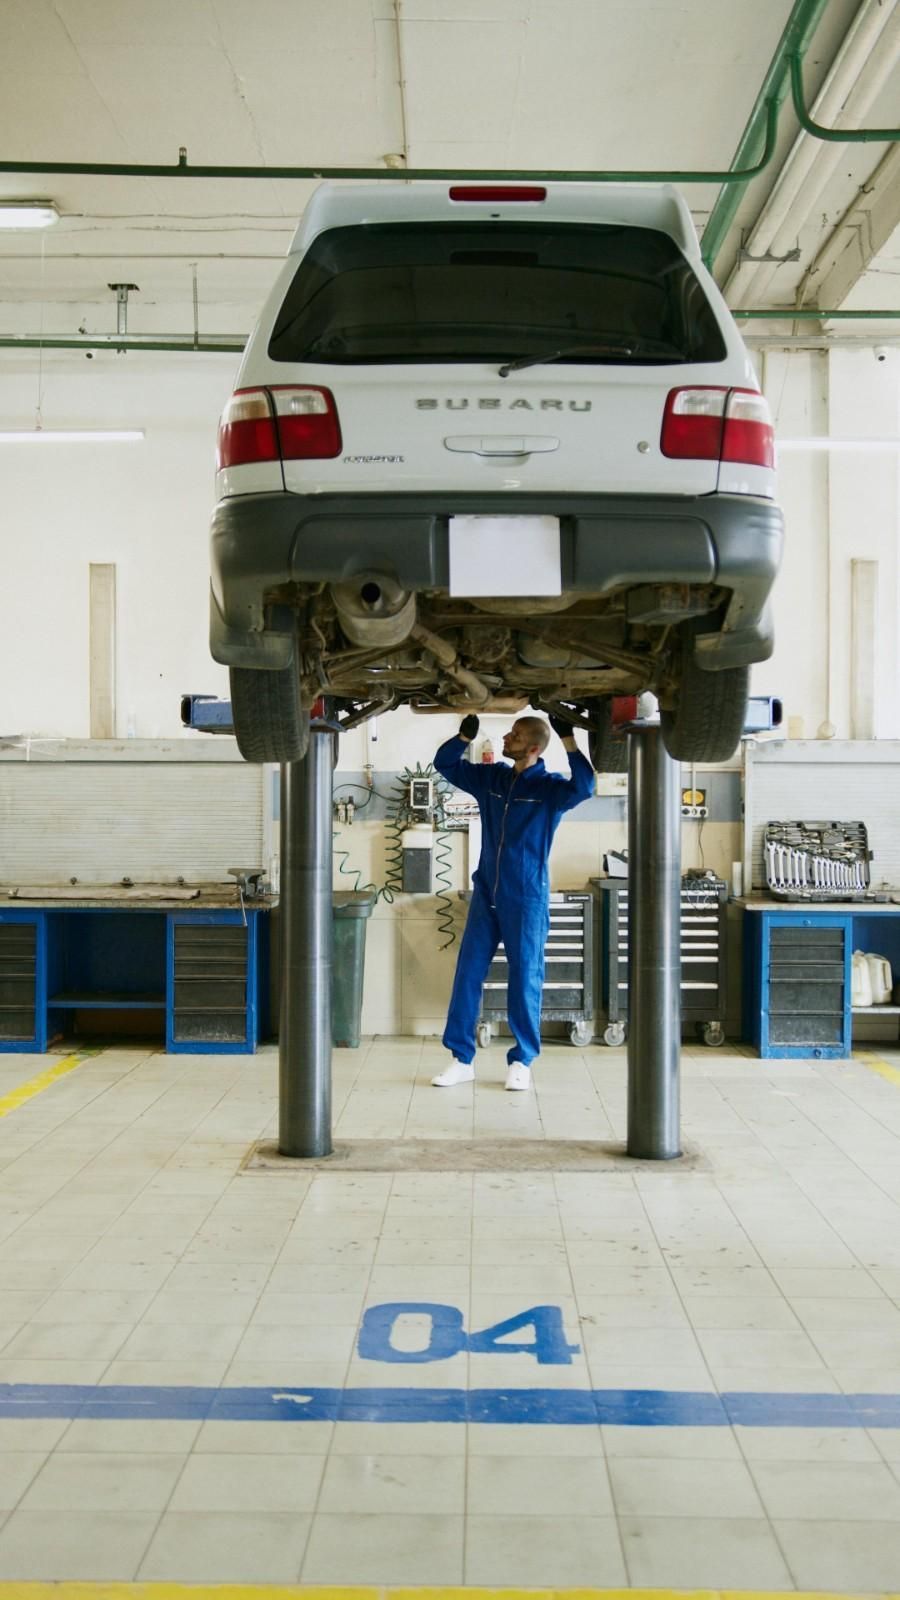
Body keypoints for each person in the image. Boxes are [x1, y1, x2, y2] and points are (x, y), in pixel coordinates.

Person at [432, 712, 594, 1091]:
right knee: (468, 973)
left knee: (525, 978)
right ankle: (461, 1059)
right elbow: (444, 764)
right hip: (487, 891)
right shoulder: (492, 778)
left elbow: (586, 787)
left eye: (516, 735)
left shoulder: (551, 789)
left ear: (534, 748)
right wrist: (462, 737)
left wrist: (569, 739)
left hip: (526, 897)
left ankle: (522, 1060)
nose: (507, 737)